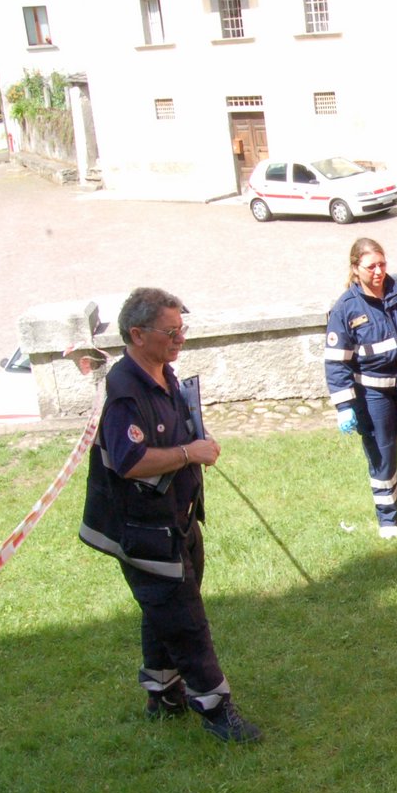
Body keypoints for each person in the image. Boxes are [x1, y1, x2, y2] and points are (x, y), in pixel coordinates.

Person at [79, 287, 262, 743]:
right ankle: (218, 710)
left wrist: (195, 441)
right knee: (185, 619)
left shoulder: (163, 373)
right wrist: (188, 452)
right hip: (144, 529)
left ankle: (162, 693)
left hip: (178, 519)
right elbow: (130, 461)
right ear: (137, 335)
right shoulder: (123, 391)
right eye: (171, 331)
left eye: (183, 329)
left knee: (162, 607)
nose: (180, 338)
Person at [325, 237, 397, 538]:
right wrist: (344, 406)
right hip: (373, 394)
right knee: (382, 456)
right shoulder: (345, 309)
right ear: (355, 268)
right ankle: (387, 518)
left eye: (382, 264)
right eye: (371, 266)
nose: (378, 272)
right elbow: (336, 361)